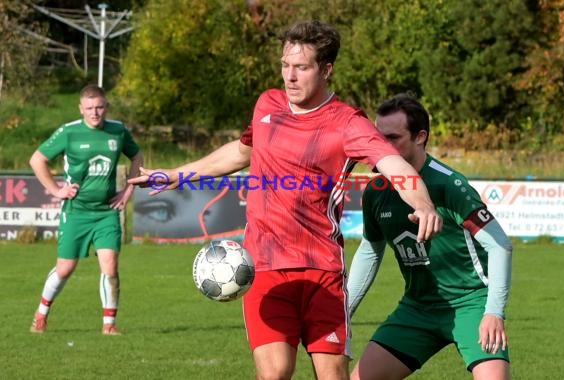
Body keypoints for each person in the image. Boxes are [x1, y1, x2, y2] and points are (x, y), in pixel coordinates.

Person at [129, 21, 442, 379]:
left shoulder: (347, 123)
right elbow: (241, 152)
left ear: (326, 70)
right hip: (264, 267)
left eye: (302, 67)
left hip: (323, 272)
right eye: (285, 65)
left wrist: (423, 203)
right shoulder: (268, 104)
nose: (290, 77)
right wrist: (176, 175)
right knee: (275, 372)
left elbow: (394, 165)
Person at [347, 94, 513, 380]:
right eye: (378, 138)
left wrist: (493, 312)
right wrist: (344, 311)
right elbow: (370, 250)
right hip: (417, 308)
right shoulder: (375, 190)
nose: (381, 148)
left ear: (420, 137)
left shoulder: (449, 184)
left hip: (470, 304)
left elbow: (501, 246)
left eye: (393, 138)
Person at [29, 84, 143, 335]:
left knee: (110, 266)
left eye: (100, 107)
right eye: (90, 108)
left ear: (106, 107)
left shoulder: (118, 131)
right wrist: (56, 190)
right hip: (76, 211)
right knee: (65, 269)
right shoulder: (69, 133)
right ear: (81, 109)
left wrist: (128, 191)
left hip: (106, 212)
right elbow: (37, 159)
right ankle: (41, 313)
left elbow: (137, 156)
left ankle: (109, 325)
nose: (95, 112)